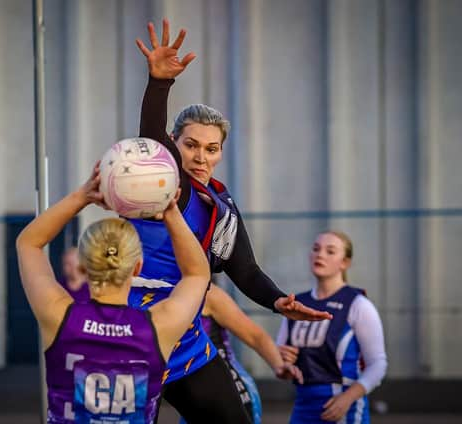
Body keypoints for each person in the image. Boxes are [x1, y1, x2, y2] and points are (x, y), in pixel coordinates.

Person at [127, 19, 332, 422]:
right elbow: (152, 136)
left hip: (184, 340)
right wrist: (159, 84)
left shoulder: (219, 204)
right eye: (190, 145)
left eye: (212, 148)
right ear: (174, 145)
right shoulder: (166, 182)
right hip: (136, 335)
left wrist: (277, 301)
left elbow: (246, 269)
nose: (201, 157)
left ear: (221, 152)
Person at [16, 162, 211, 424]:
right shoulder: (158, 326)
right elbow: (197, 274)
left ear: (83, 266)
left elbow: (28, 243)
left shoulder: (59, 316)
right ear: (137, 268)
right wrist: (171, 211)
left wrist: (82, 196)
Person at [276, 231, 388, 423]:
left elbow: (378, 364)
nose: (320, 255)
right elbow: (279, 360)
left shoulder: (357, 304)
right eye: (316, 249)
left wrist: (348, 398)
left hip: (342, 405)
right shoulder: (296, 304)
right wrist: (283, 363)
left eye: (330, 251)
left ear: (344, 262)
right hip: (303, 405)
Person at [180, 284, 304, 424]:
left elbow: (255, 336)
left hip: (231, 390)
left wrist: (278, 365)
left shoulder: (209, 294)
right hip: (192, 394)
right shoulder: (156, 296)